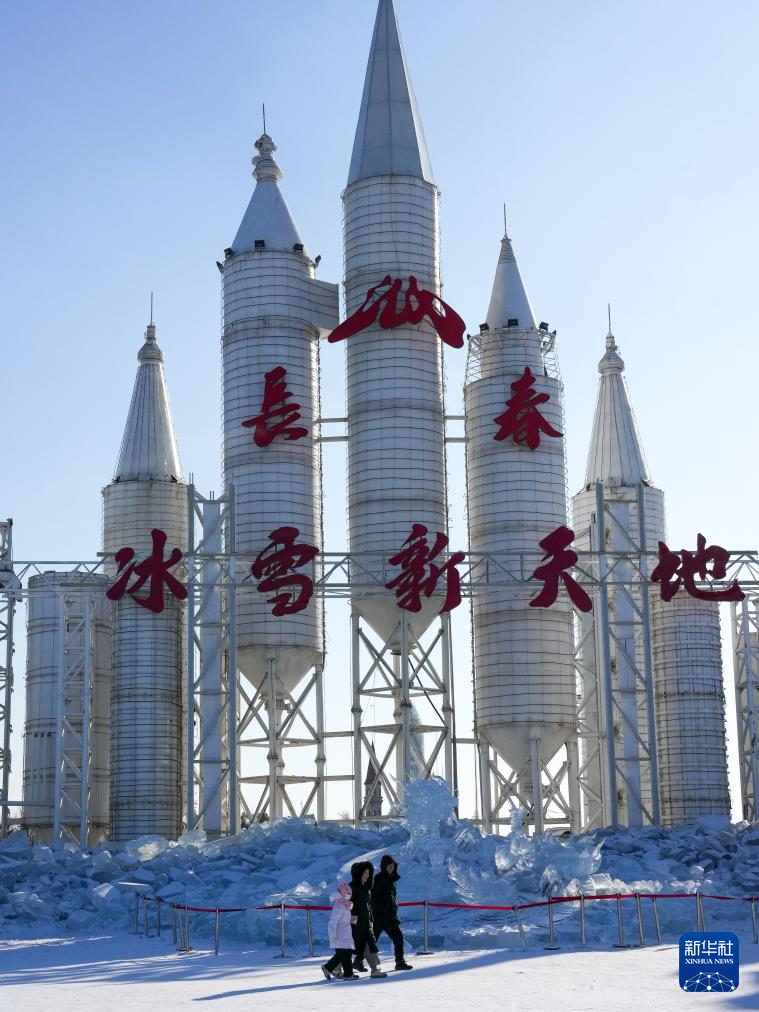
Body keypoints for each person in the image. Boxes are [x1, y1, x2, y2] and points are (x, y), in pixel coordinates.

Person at [371, 854, 413, 970]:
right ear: (383, 866)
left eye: (393, 866)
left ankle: (400, 962)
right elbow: (374, 899)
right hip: (379, 917)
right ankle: (356, 961)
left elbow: (392, 897)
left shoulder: (392, 879)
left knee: (398, 938)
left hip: (390, 916)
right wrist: (383, 909)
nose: (391, 868)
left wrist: (394, 908)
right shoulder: (377, 879)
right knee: (370, 942)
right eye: (389, 866)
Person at [349, 860, 387, 978]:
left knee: (363, 946)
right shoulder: (352, 887)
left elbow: (367, 906)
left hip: (365, 922)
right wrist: (353, 920)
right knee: (364, 945)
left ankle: (333, 967)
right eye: (364, 873)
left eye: (368, 873)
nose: (367, 875)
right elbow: (348, 906)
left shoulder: (365, 887)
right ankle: (374, 970)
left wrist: (370, 919)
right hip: (357, 923)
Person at [322, 880, 360, 981]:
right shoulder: (339, 905)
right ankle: (348, 974)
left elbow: (345, 919)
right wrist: (333, 935)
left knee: (343, 954)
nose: (349, 895)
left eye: (350, 893)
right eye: (348, 893)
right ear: (342, 893)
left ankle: (328, 967)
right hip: (340, 934)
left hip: (345, 933)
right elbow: (333, 922)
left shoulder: (344, 905)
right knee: (345, 953)